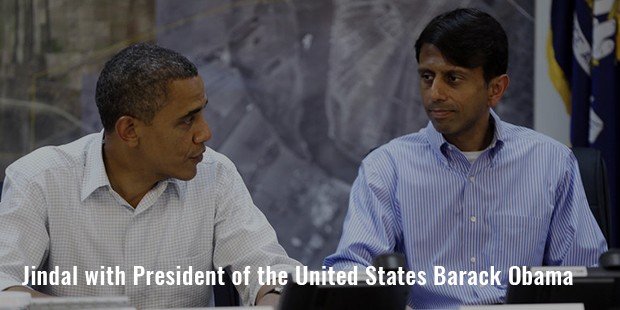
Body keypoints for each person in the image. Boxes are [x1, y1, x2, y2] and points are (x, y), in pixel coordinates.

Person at [324, 8, 608, 309]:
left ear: (495, 88)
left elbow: (584, 278)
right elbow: (350, 271)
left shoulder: (551, 163)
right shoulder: (386, 168)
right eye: (427, 77)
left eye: (453, 78)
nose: (435, 93)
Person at [0, 43, 300, 308]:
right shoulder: (39, 179)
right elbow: (3, 285)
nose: (205, 133)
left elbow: (270, 272)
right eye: (187, 120)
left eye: (202, 113)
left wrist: (271, 301)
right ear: (129, 131)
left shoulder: (216, 175)